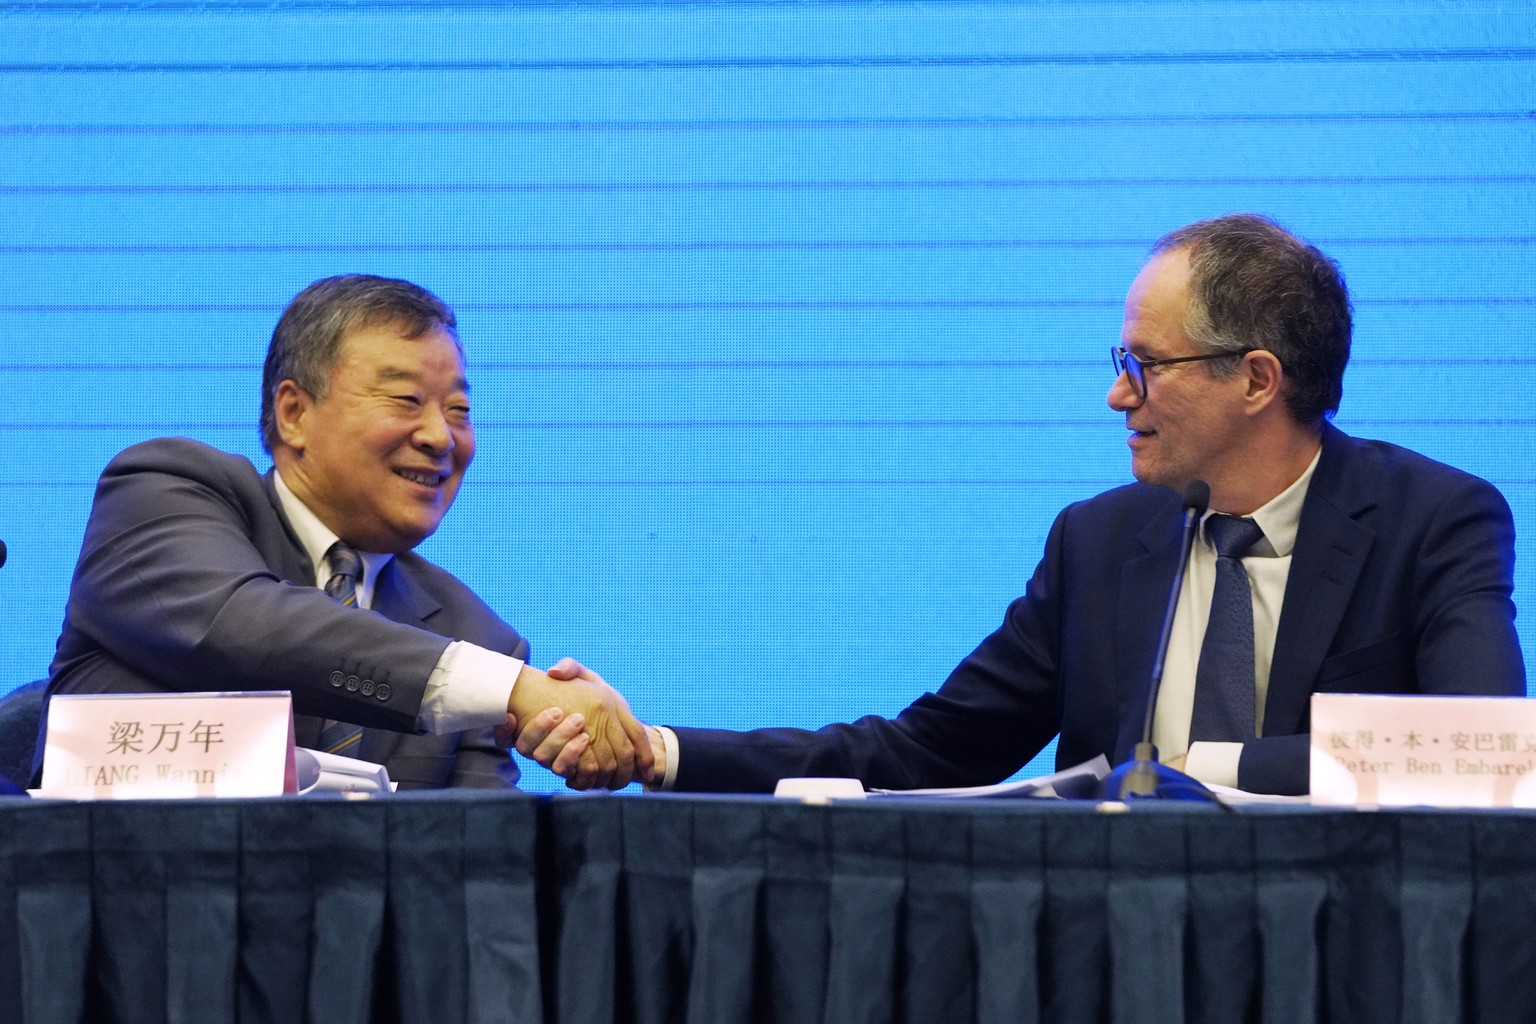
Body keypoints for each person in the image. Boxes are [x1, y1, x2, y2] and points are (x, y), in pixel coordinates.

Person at [521, 213, 1525, 796]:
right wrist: (661, 749)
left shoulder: (1431, 520)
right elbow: (922, 751)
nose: (1117, 395)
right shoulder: (1100, 542)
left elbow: (1478, 748)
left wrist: (1190, 772)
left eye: (1145, 365)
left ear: (1256, 379)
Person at [35, 274, 651, 790]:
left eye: (459, 410)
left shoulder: (479, 638)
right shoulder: (162, 491)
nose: (441, 437)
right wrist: (514, 690)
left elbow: (478, 859)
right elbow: (243, 624)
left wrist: (583, 742)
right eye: (406, 400)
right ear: (293, 413)